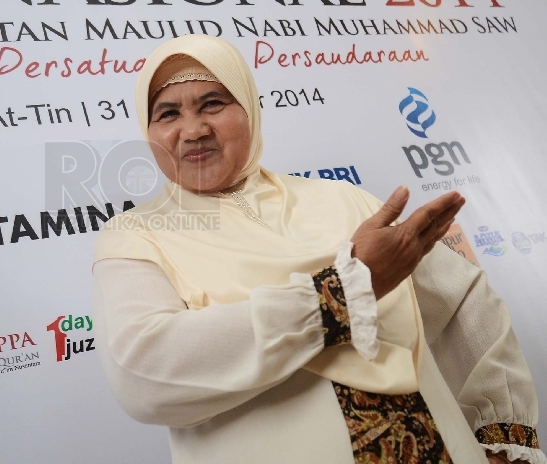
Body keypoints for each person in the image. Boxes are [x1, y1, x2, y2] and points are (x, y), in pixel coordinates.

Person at [92, 35, 545, 464]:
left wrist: (502, 433)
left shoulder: (342, 200)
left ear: (249, 108)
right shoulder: (136, 234)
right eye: (167, 114)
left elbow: (463, 297)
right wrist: (342, 293)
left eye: (213, 103)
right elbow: (144, 373)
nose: (193, 130)